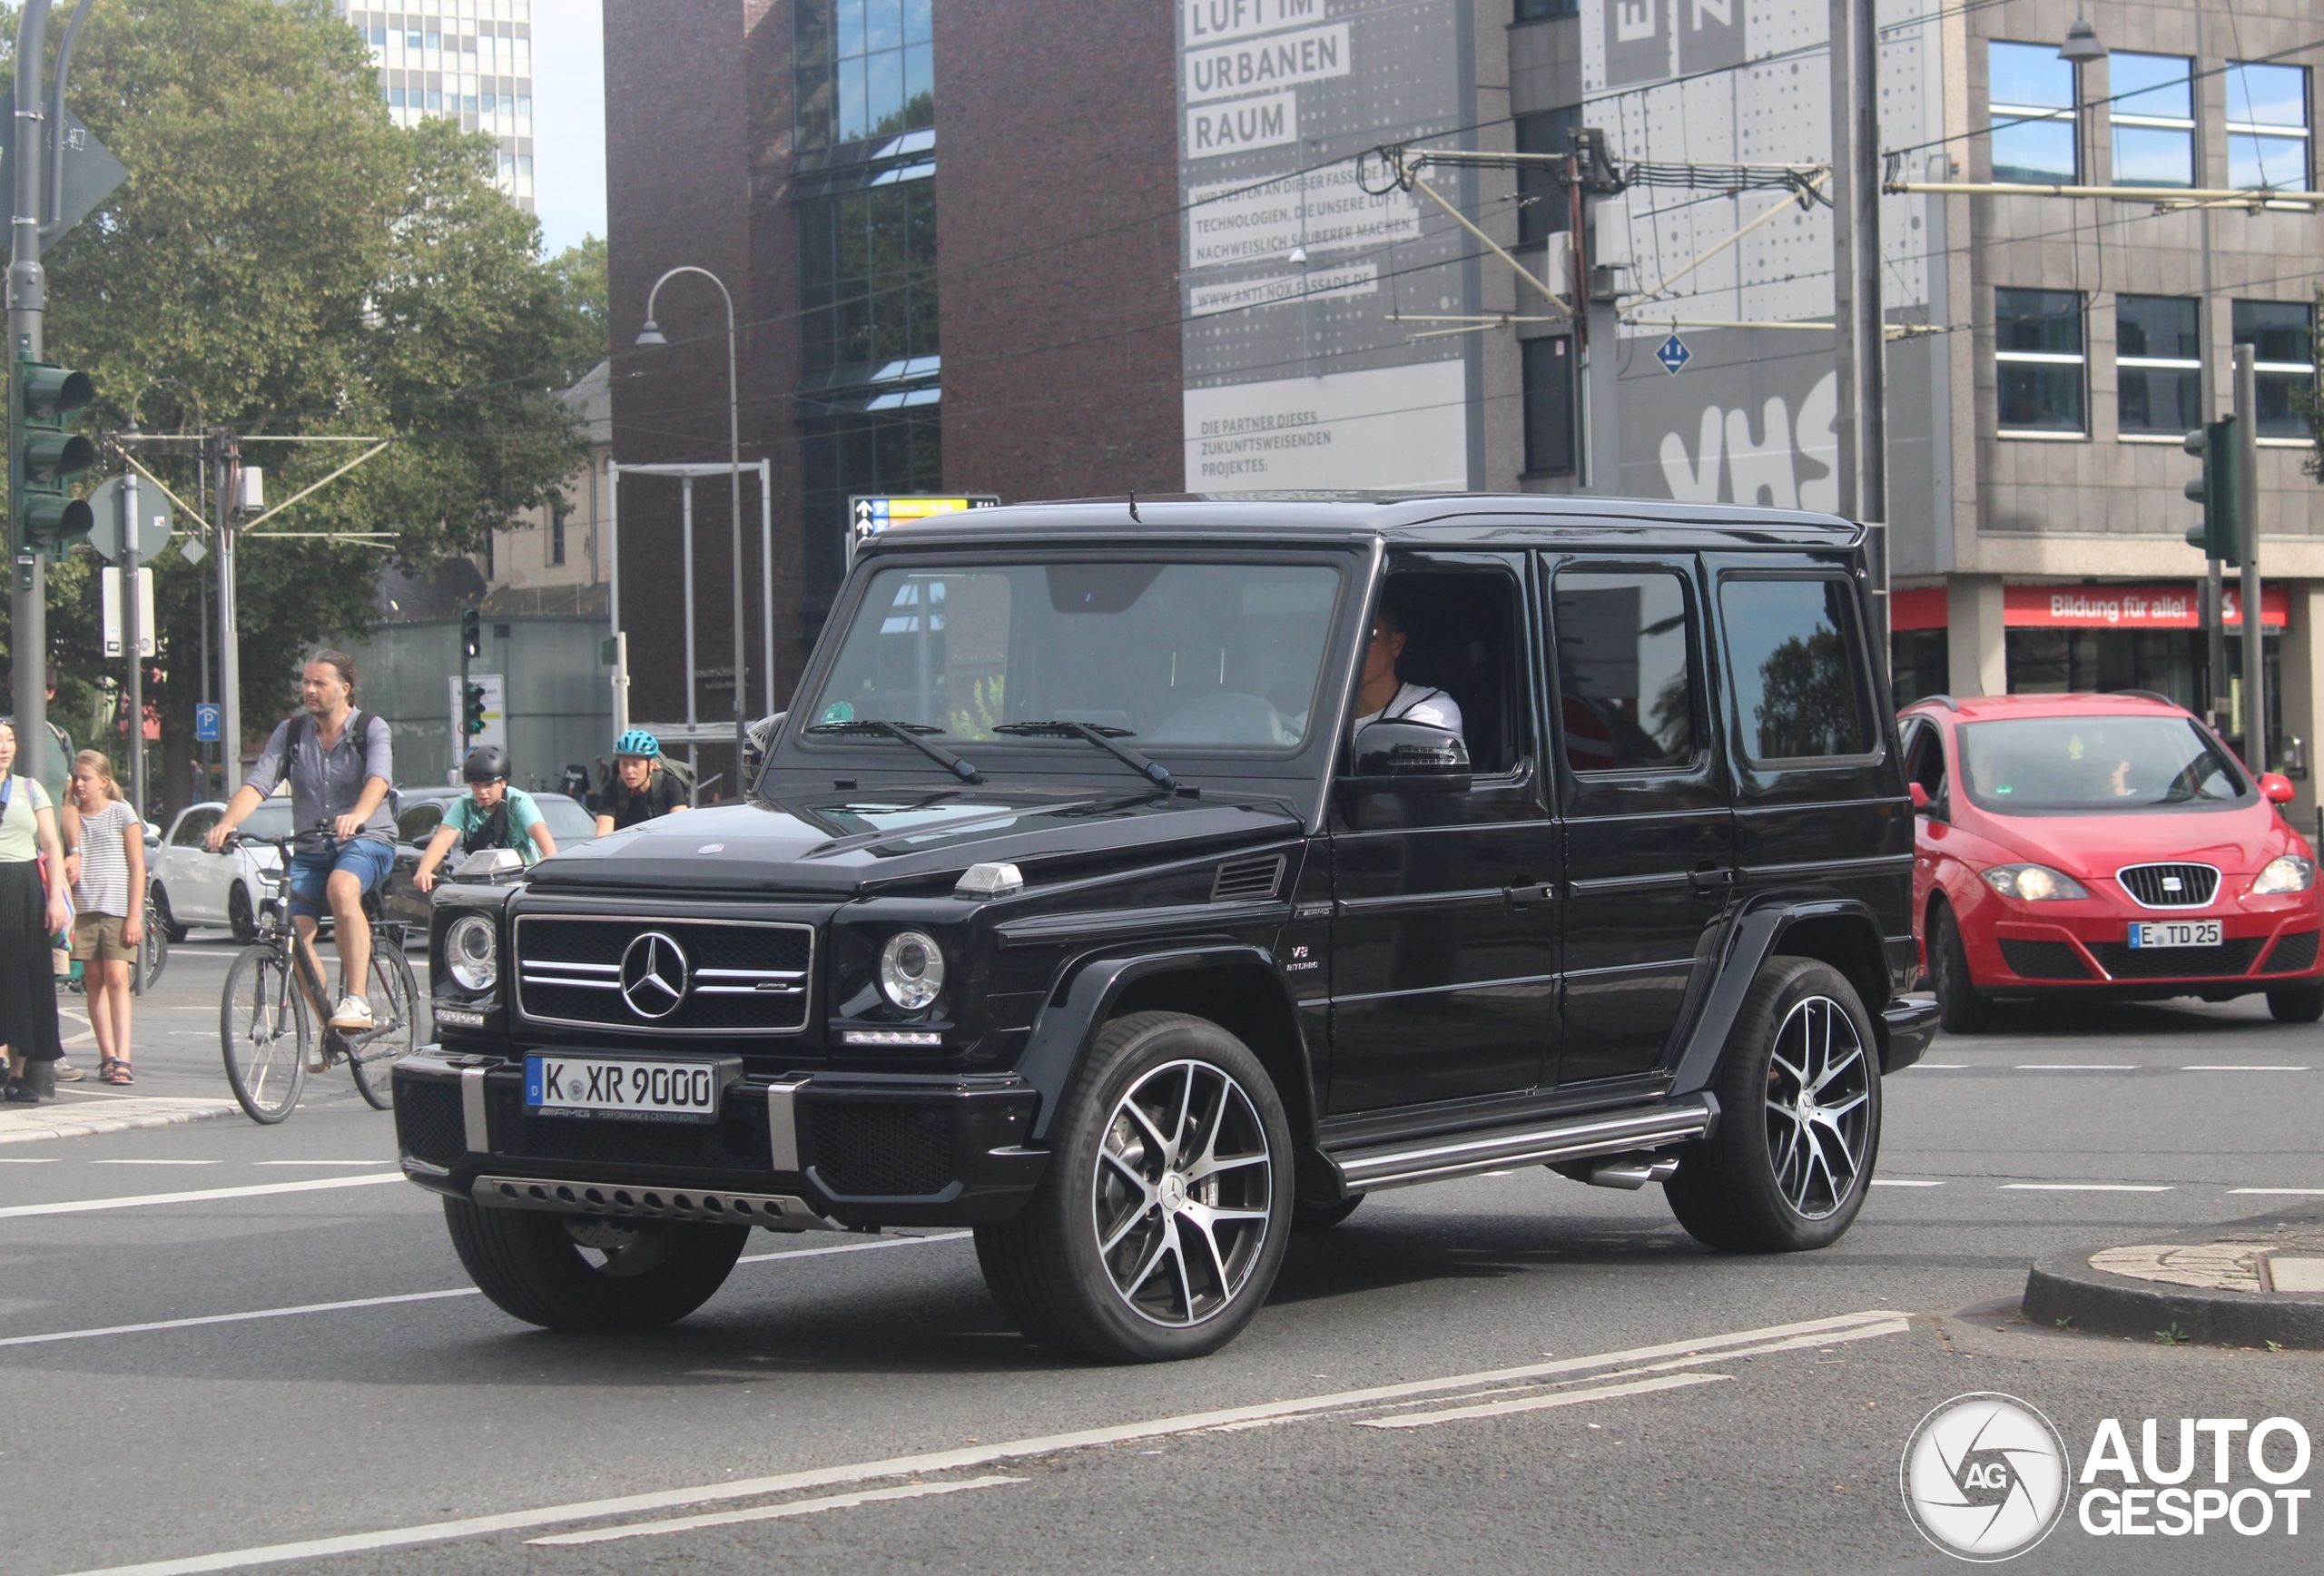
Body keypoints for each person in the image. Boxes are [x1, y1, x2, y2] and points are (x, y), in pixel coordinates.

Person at [207, 653, 394, 1037]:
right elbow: (258, 783)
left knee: (342, 888)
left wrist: (357, 815)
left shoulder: (371, 728)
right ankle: (331, 1029)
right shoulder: (291, 732)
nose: (308, 690)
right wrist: (226, 823)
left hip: (366, 841)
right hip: (312, 848)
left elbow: (379, 779)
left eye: (319, 683)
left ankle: (357, 999)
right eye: (305, 683)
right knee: (290, 934)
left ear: (344, 689)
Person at [0, 719, 72, 1105]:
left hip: (25, 886)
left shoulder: (30, 789)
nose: (4, 747)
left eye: (9, 740)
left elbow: (50, 843)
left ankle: (17, 1075)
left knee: (24, 977)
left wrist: (56, 897)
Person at [68, 752, 143, 1086]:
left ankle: (124, 1055)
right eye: (76, 778)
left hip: (116, 907)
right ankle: (107, 1054)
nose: (79, 783)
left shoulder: (120, 812)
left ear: (103, 781)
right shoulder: (71, 816)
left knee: (117, 977)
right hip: (85, 908)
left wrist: (134, 916)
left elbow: (137, 866)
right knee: (93, 980)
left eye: (85, 778)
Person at [414, 745, 559, 893]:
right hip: (481, 885)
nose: (482, 792)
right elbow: (444, 838)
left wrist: (550, 858)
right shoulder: (465, 804)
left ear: (503, 782)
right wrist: (424, 870)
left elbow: (538, 829)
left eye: (489, 785)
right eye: (476, 785)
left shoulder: (519, 801)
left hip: (520, 883)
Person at [1352, 599, 1464, 739]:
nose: (1352, 647)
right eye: (1343, 637)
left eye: (1369, 635)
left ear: (1396, 645)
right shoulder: (1321, 714)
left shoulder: (1430, 709)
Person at [593, 730, 689, 835]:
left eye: (636, 764)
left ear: (651, 765)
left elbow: (681, 830)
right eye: (624, 764)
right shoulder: (613, 787)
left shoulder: (669, 785)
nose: (629, 771)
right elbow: (603, 835)